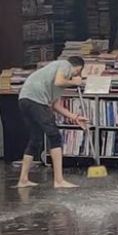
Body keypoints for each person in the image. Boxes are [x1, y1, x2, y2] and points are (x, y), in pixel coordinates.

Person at [16, 56, 88, 189]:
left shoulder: (56, 79)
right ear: (78, 68)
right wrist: (75, 82)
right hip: (35, 99)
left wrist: (75, 116)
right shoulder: (65, 64)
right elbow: (60, 81)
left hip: (25, 99)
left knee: (36, 139)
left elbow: (56, 106)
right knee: (54, 136)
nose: (77, 75)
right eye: (78, 72)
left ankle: (23, 179)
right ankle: (59, 180)